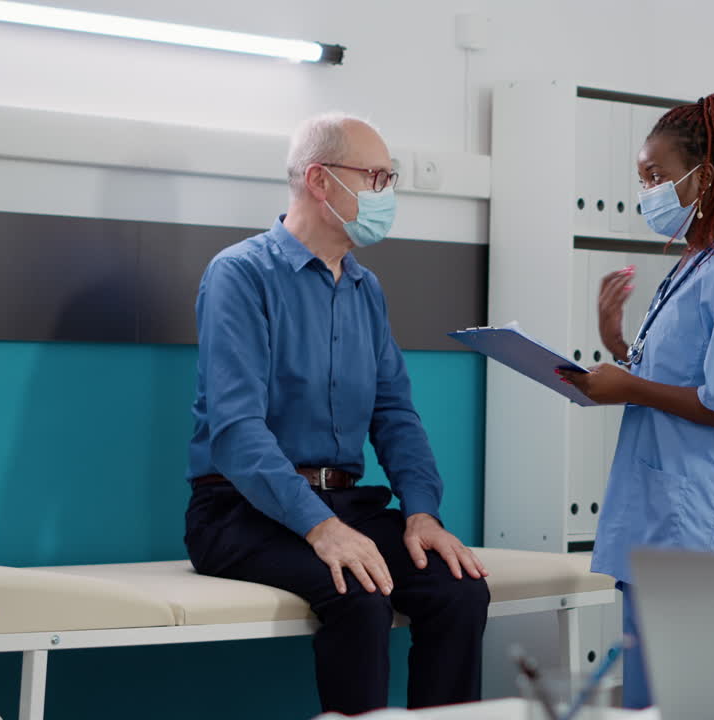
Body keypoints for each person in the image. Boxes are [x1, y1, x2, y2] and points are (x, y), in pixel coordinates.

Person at [183, 112, 490, 715]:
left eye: (390, 177)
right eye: (376, 176)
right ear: (321, 181)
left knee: (460, 590)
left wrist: (423, 514)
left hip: (343, 503)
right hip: (237, 511)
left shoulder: (364, 289)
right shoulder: (240, 275)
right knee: (359, 594)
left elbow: (396, 414)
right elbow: (237, 432)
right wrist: (320, 528)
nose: (387, 193)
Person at [559, 94, 714, 709]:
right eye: (642, 179)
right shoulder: (695, 267)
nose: (647, 193)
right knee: (652, 702)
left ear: (707, 176)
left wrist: (628, 386)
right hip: (664, 523)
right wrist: (618, 344)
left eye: (657, 177)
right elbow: (679, 372)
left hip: (707, 537)